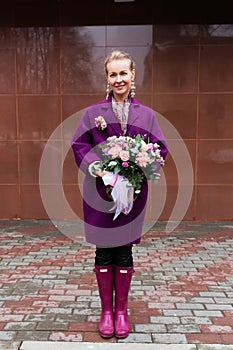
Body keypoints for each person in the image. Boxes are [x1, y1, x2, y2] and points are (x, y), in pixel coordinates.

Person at [71, 50, 168, 339]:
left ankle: (122, 312)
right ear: (107, 78)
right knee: (103, 250)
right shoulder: (93, 114)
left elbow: (159, 148)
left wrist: (141, 166)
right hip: (100, 192)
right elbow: (79, 144)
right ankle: (106, 312)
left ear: (132, 75)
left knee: (124, 250)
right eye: (113, 74)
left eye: (123, 73)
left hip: (133, 196)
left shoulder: (147, 115)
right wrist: (98, 169)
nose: (118, 79)